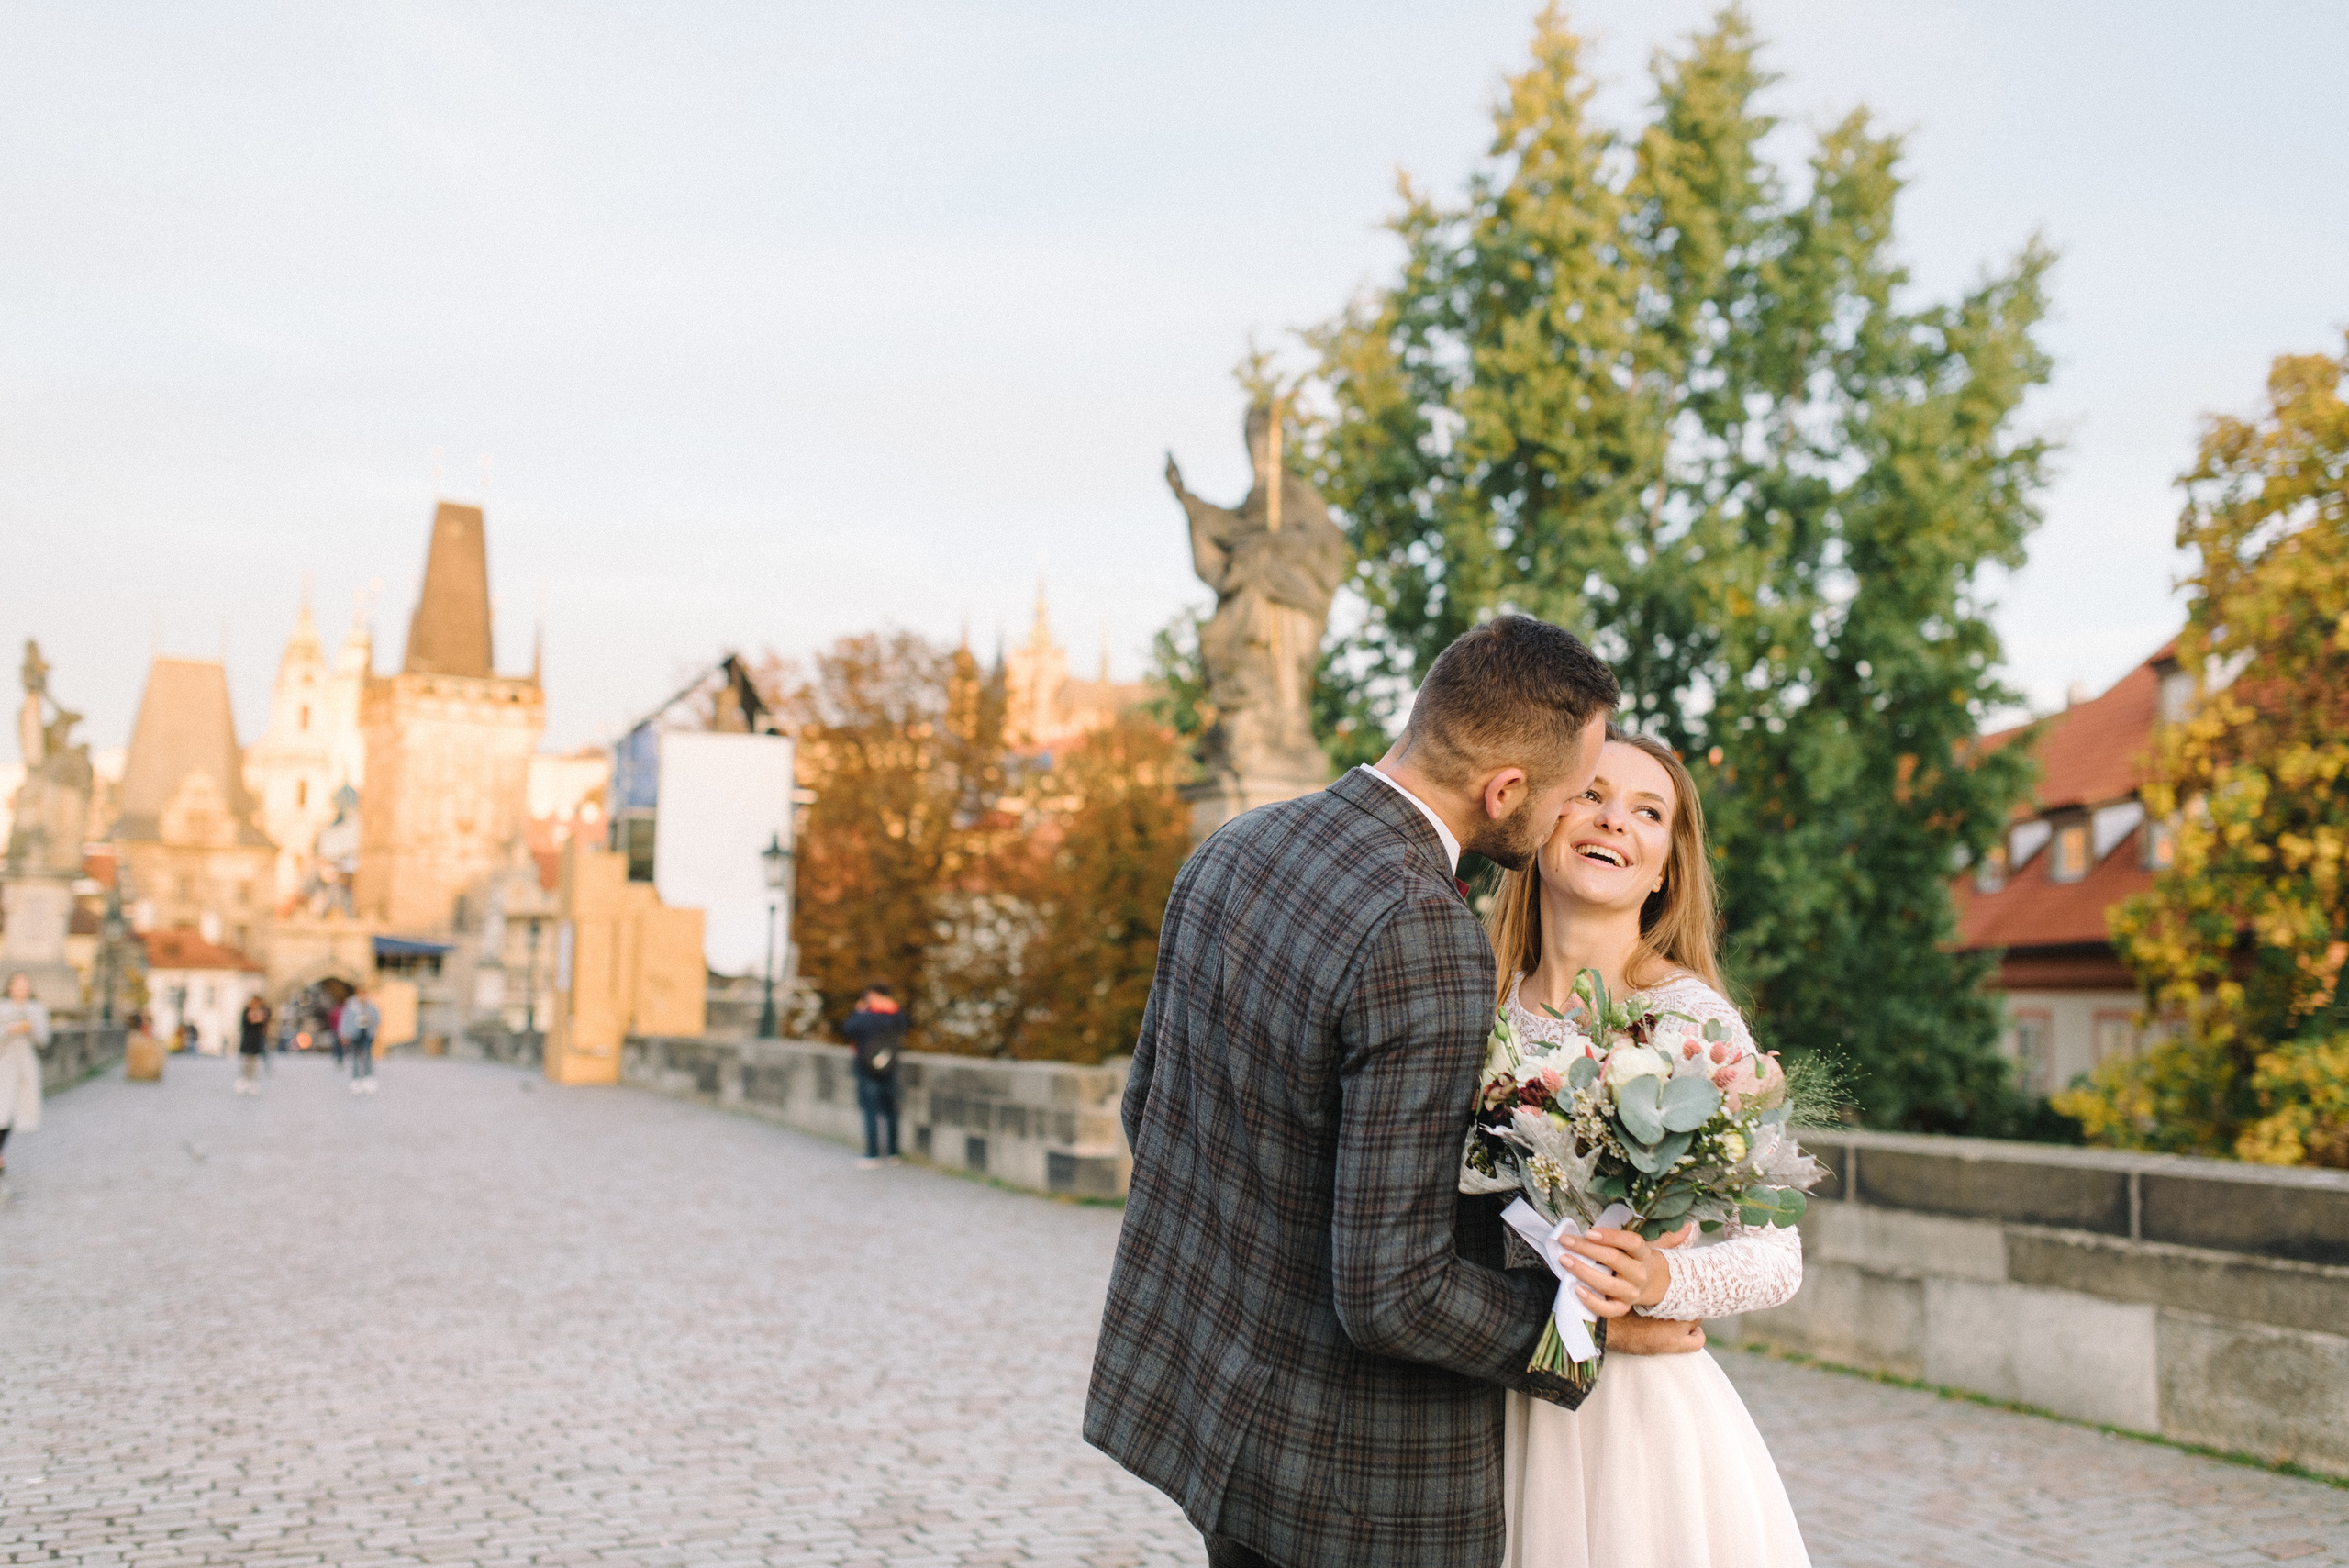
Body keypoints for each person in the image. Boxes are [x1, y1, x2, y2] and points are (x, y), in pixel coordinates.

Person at [1087, 615, 1667, 1568]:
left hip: (1212, 1410)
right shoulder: (1421, 927)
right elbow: (1392, 1293)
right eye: (1568, 793)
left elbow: (1148, 1109)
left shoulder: (1239, 842)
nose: (1574, 815)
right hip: (1350, 1480)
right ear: (1504, 788)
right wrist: (1576, 1340)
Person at [1488, 728, 1809, 1567]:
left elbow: (1776, 1257)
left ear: (1666, 865)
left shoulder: (1694, 1021)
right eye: (1590, 793)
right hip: (1481, 1403)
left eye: (1647, 810)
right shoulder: (1474, 1000)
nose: (1613, 821)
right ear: (1544, 819)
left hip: (1632, 1422)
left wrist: (1663, 1281)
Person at [840, 984, 907, 1168]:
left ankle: (873, 1154)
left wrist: (859, 1011)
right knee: (891, 1111)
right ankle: (893, 1153)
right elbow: (907, 1025)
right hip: (889, 1066)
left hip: (866, 1067)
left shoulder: (865, 1016)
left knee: (871, 1110)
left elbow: (847, 1029)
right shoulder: (895, 1014)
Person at [0, 972, 49, 1179]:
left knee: (15, 1113)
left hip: (26, 1067)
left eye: (24, 985)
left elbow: (43, 1040)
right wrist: (9, 1030)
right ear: (10, 988)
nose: (20, 989)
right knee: (2, 1111)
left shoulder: (36, 1009)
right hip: (5, 1064)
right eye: (17, 985)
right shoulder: (2, 1008)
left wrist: (30, 1028)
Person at [340, 985, 380, 1095]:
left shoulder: (370, 1005)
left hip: (367, 1033)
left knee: (367, 1055)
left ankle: (368, 1077)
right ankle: (356, 1079)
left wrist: (374, 1025)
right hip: (355, 1033)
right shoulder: (351, 1005)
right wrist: (344, 1033)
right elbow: (344, 1019)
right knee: (356, 1056)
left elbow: (377, 1017)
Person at [234, 995, 272, 1095]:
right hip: (247, 1040)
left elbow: (266, 1019)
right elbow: (247, 1022)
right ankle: (244, 1081)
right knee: (246, 1062)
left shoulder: (263, 1011)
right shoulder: (247, 1011)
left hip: (256, 1040)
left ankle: (251, 1082)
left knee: (253, 1062)